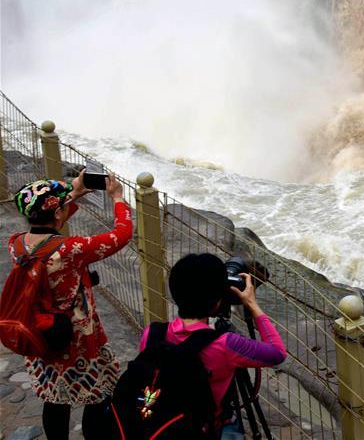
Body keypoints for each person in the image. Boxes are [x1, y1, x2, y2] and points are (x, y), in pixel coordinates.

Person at [9, 173, 134, 439]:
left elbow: (51, 221)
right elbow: (122, 234)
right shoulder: (70, 249)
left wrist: (72, 194)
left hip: (41, 333)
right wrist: (118, 198)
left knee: (55, 397)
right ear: (57, 214)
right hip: (77, 339)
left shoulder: (16, 244)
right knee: (98, 395)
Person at [138, 253, 286, 434]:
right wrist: (252, 304)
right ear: (217, 303)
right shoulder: (227, 345)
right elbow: (277, 352)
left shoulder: (152, 333)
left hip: (155, 424)